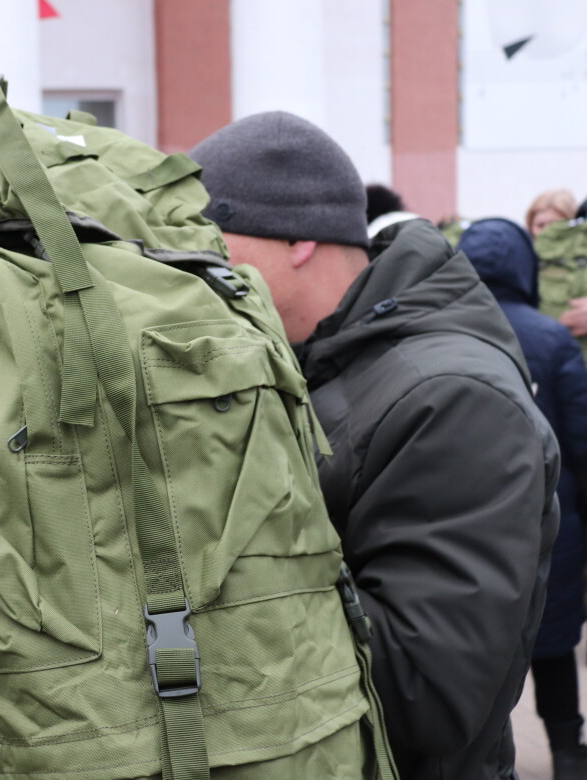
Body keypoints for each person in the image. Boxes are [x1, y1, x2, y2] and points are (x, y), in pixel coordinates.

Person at [189, 111, 559, 780]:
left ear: (299, 239)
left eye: (208, 242)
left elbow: (428, 691)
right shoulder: (320, 361)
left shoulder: (454, 399)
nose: (193, 272)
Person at [458, 218, 587, 780]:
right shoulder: (551, 337)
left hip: (466, 522)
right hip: (547, 520)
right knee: (553, 645)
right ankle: (568, 752)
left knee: (477, 654)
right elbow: (581, 440)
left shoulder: (445, 331)